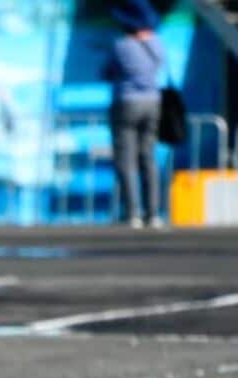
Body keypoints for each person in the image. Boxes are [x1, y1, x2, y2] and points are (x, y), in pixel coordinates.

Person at [103, 1, 164, 229]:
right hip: (153, 102)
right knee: (148, 158)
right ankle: (153, 213)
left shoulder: (122, 46)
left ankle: (132, 213)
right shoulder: (157, 44)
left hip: (126, 103)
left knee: (126, 160)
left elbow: (107, 72)